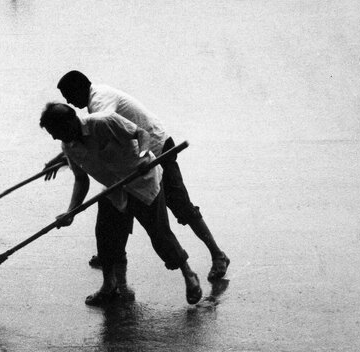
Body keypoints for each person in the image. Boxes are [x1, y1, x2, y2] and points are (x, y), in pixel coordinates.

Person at [53, 71, 231, 284]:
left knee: (180, 206)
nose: (69, 101)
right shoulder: (92, 103)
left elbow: (99, 128)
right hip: (131, 164)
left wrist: (67, 154)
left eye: (69, 95)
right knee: (120, 206)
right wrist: (67, 154)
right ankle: (113, 254)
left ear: (80, 88)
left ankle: (217, 254)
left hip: (156, 149)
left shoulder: (100, 101)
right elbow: (87, 138)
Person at [39, 103, 202, 306]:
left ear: (70, 121)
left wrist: (143, 156)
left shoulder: (103, 121)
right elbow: (81, 180)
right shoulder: (68, 146)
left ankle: (189, 275)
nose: (55, 137)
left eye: (57, 131)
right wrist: (70, 212)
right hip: (114, 190)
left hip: (143, 182)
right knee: (105, 236)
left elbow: (142, 134)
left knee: (160, 235)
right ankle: (109, 285)